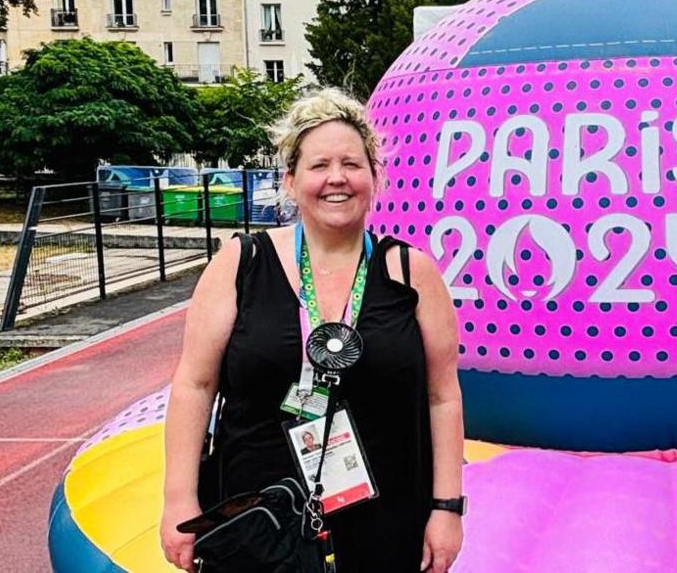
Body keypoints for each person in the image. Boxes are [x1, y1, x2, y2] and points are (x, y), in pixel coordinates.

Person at [160, 88, 465, 573]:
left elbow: (442, 396)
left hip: (386, 515)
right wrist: (179, 499)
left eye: (352, 164)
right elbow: (194, 385)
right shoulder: (242, 263)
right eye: (319, 165)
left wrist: (447, 508)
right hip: (257, 518)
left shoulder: (412, 273)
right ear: (290, 180)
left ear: (374, 177)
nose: (336, 178)